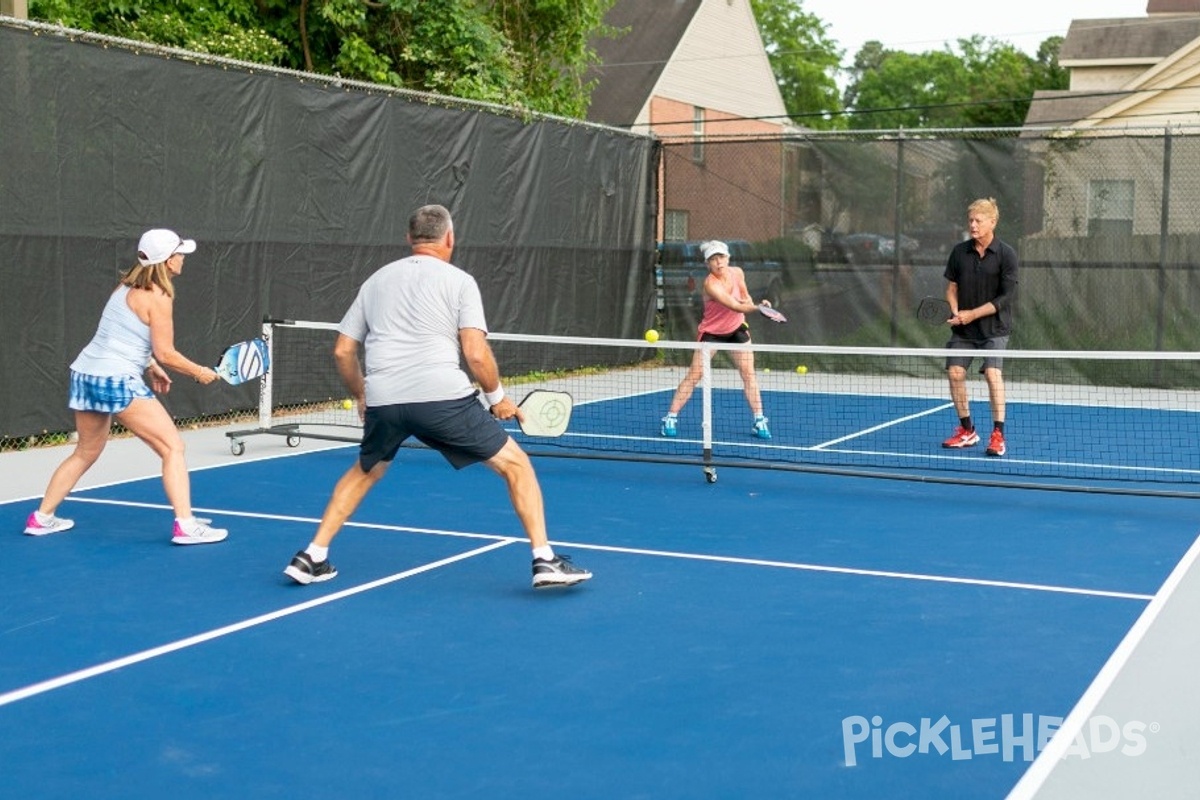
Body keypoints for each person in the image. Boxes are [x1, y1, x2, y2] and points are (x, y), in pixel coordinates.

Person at [283, 204, 591, 590]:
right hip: (442, 399)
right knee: (516, 466)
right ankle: (545, 560)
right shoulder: (460, 281)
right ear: (449, 238)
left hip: (385, 401)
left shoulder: (375, 281)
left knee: (366, 471)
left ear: (410, 239)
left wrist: (362, 394)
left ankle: (312, 555)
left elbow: (343, 351)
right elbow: (475, 353)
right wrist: (497, 398)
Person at [24, 229, 228, 544]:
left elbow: (120, 335)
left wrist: (151, 366)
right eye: (179, 253)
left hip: (85, 375)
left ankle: (41, 518)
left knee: (85, 451)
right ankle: (186, 526)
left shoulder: (124, 286)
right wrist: (198, 371)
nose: (183, 258)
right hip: (116, 379)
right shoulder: (160, 296)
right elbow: (167, 352)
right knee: (173, 447)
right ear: (167, 260)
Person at [660, 240, 772, 440]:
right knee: (695, 375)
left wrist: (759, 304)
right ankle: (670, 417)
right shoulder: (711, 284)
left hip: (737, 329)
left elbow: (745, 300)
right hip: (712, 333)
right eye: (713, 259)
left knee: (749, 375)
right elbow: (734, 305)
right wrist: (759, 310)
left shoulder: (737, 273)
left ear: (728, 258)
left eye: (721, 257)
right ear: (707, 264)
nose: (718, 262)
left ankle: (759, 419)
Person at [940, 197, 1018, 457]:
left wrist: (972, 314)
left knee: (992, 375)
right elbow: (951, 289)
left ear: (992, 222)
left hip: (995, 329)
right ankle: (967, 431)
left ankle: (998, 434)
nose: (973, 225)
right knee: (955, 373)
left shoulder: (1006, 254)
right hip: (964, 331)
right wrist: (954, 311)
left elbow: (1005, 298)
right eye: (970, 220)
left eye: (978, 220)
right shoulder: (959, 252)